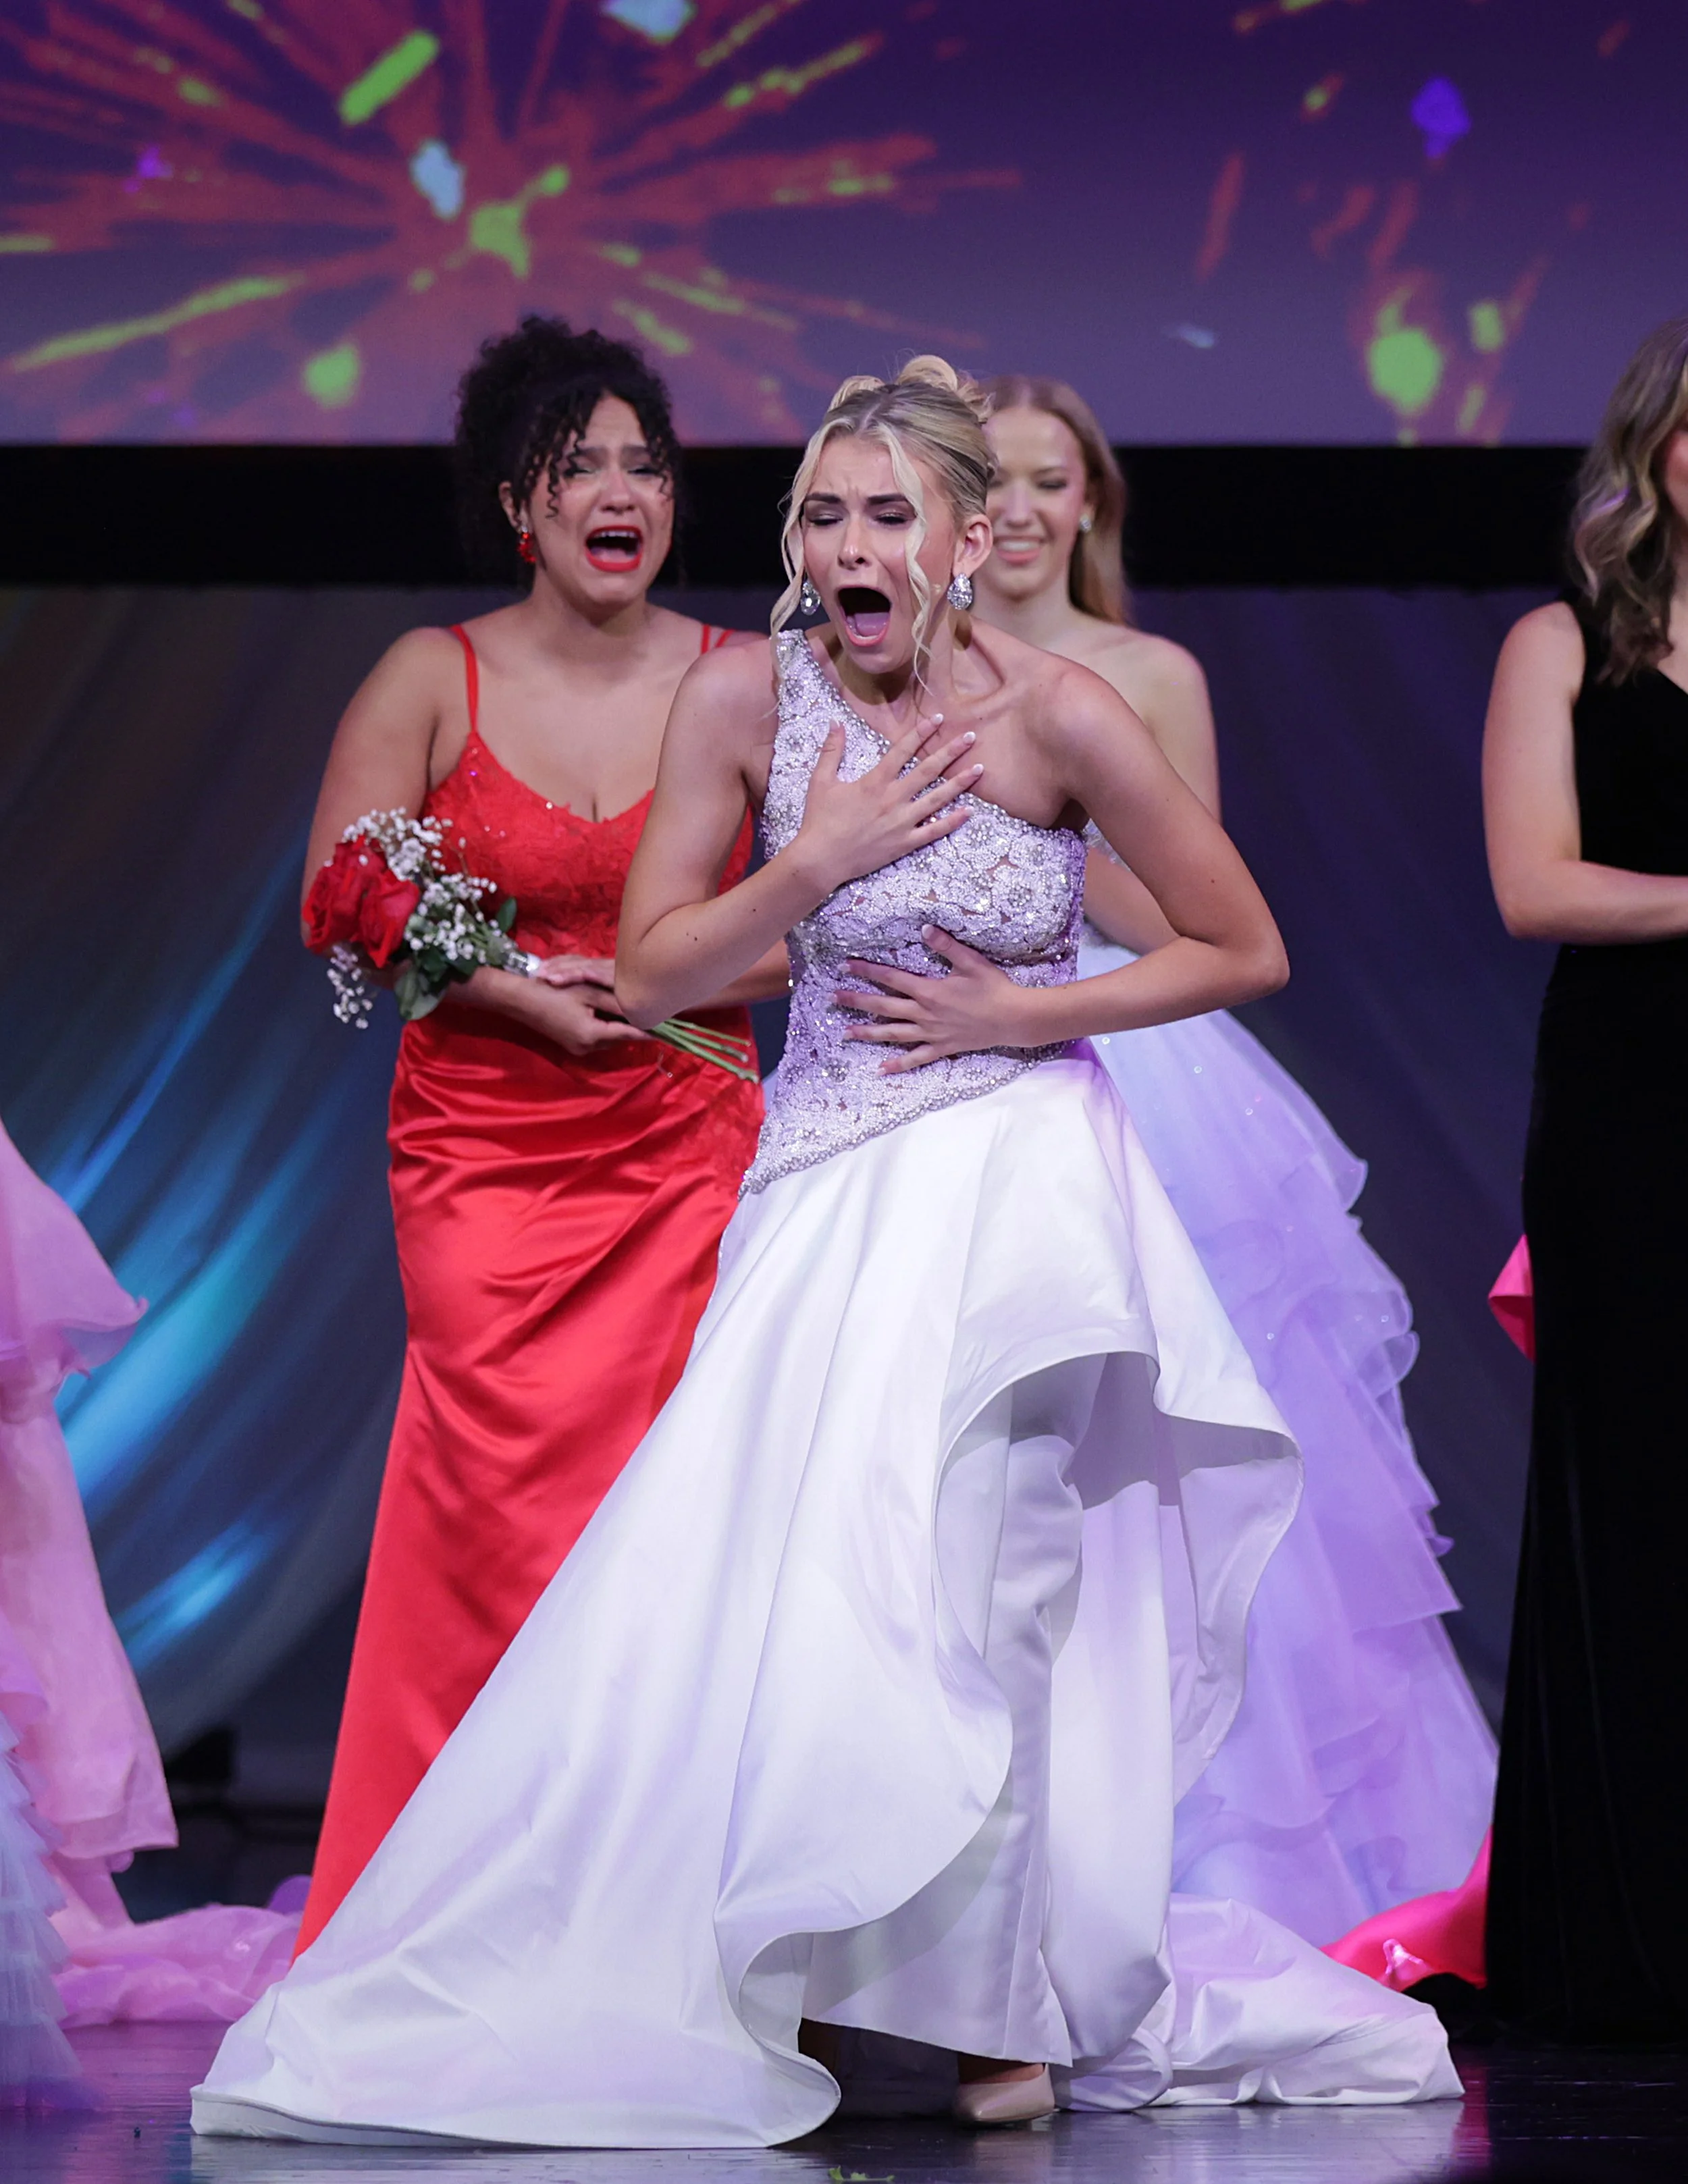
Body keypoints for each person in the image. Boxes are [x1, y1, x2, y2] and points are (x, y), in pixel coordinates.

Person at [193, 359, 1456, 2145]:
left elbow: (1238, 942)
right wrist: (819, 858)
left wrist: (1036, 1010)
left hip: (1020, 1177)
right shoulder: (743, 707)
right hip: (819, 1174)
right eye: (823, 513)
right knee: (812, 1590)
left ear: (958, 538)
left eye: (886, 512)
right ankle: (796, 1962)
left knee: (1002, 1577)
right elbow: (649, 965)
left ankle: (999, 2008)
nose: (851, 542)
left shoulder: (1062, 715)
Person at [971, 375, 1495, 1948]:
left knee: (1194, 1432)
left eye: (1045, 480)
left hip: (1130, 1043)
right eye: (984, 479)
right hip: (965, 1038)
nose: (1014, 508)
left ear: (1088, 504)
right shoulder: (906, 671)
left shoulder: (1146, 672)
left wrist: (1028, 843)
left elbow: (1183, 894)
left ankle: (1241, 1854)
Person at [294, 319, 787, 1954]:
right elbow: (348, 892)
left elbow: (835, 919)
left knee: (671, 1512)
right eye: (580, 465)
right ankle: (456, 1909)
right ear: (519, 499)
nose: (619, 491)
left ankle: (661, 1921)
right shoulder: (430, 673)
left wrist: (656, 980)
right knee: (493, 1504)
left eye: (644, 463)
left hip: (684, 1134)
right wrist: (519, 993)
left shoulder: (741, 680)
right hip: (483, 1158)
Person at [1481, 315, 1688, 2042]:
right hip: (1631, 1102)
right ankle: (1619, 1934)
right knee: (1629, 1488)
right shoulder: (1562, 644)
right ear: (1656, 450)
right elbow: (1534, 886)